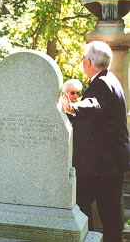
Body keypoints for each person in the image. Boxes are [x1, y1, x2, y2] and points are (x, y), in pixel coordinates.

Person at [62, 41, 130, 242]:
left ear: (89, 61)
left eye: (84, 58)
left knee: (84, 207)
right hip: (109, 162)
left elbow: (94, 104)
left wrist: (72, 108)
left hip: (103, 164)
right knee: (109, 213)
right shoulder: (110, 79)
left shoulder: (101, 83)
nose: (83, 61)